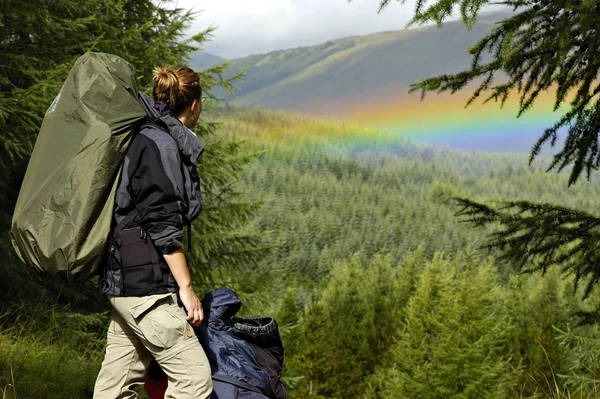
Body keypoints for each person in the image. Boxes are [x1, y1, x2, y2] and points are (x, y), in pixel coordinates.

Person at [93, 66, 212, 399]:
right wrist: (186, 289)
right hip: (145, 288)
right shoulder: (161, 144)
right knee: (195, 380)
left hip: (122, 284)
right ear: (195, 104)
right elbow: (161, 224)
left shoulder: (142, 134)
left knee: (114, 388)